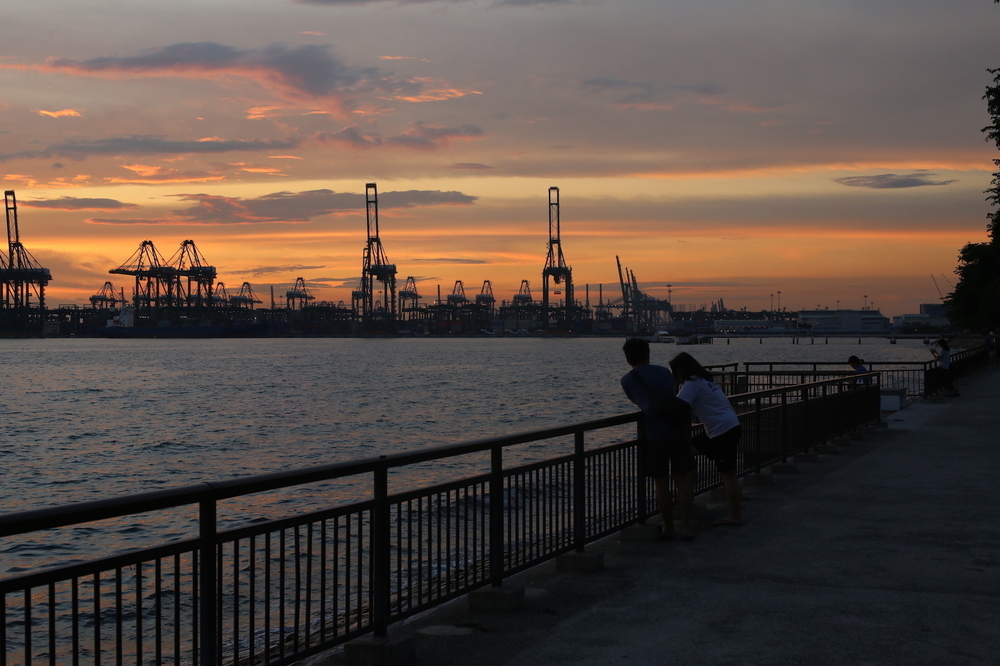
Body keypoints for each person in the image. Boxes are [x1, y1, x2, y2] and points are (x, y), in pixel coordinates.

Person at [620, 338, 696, 541]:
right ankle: (686, 527)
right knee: (682, 479)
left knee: (660, 482)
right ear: (648, 353)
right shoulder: (664, 372)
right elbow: (673, 393)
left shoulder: (627, 380)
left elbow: (638, 402)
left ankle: (669, 527)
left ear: (628, 359)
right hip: (679, 428)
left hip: (654, 432)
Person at [669, 351, 744, 527]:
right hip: (725, 427)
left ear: (680, 372)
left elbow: (678, 406)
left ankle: (735, 515)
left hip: (722, 431)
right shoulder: (705, 379)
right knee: (687, 452)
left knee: (728, 474)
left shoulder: (692, 383)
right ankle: (690, 495)